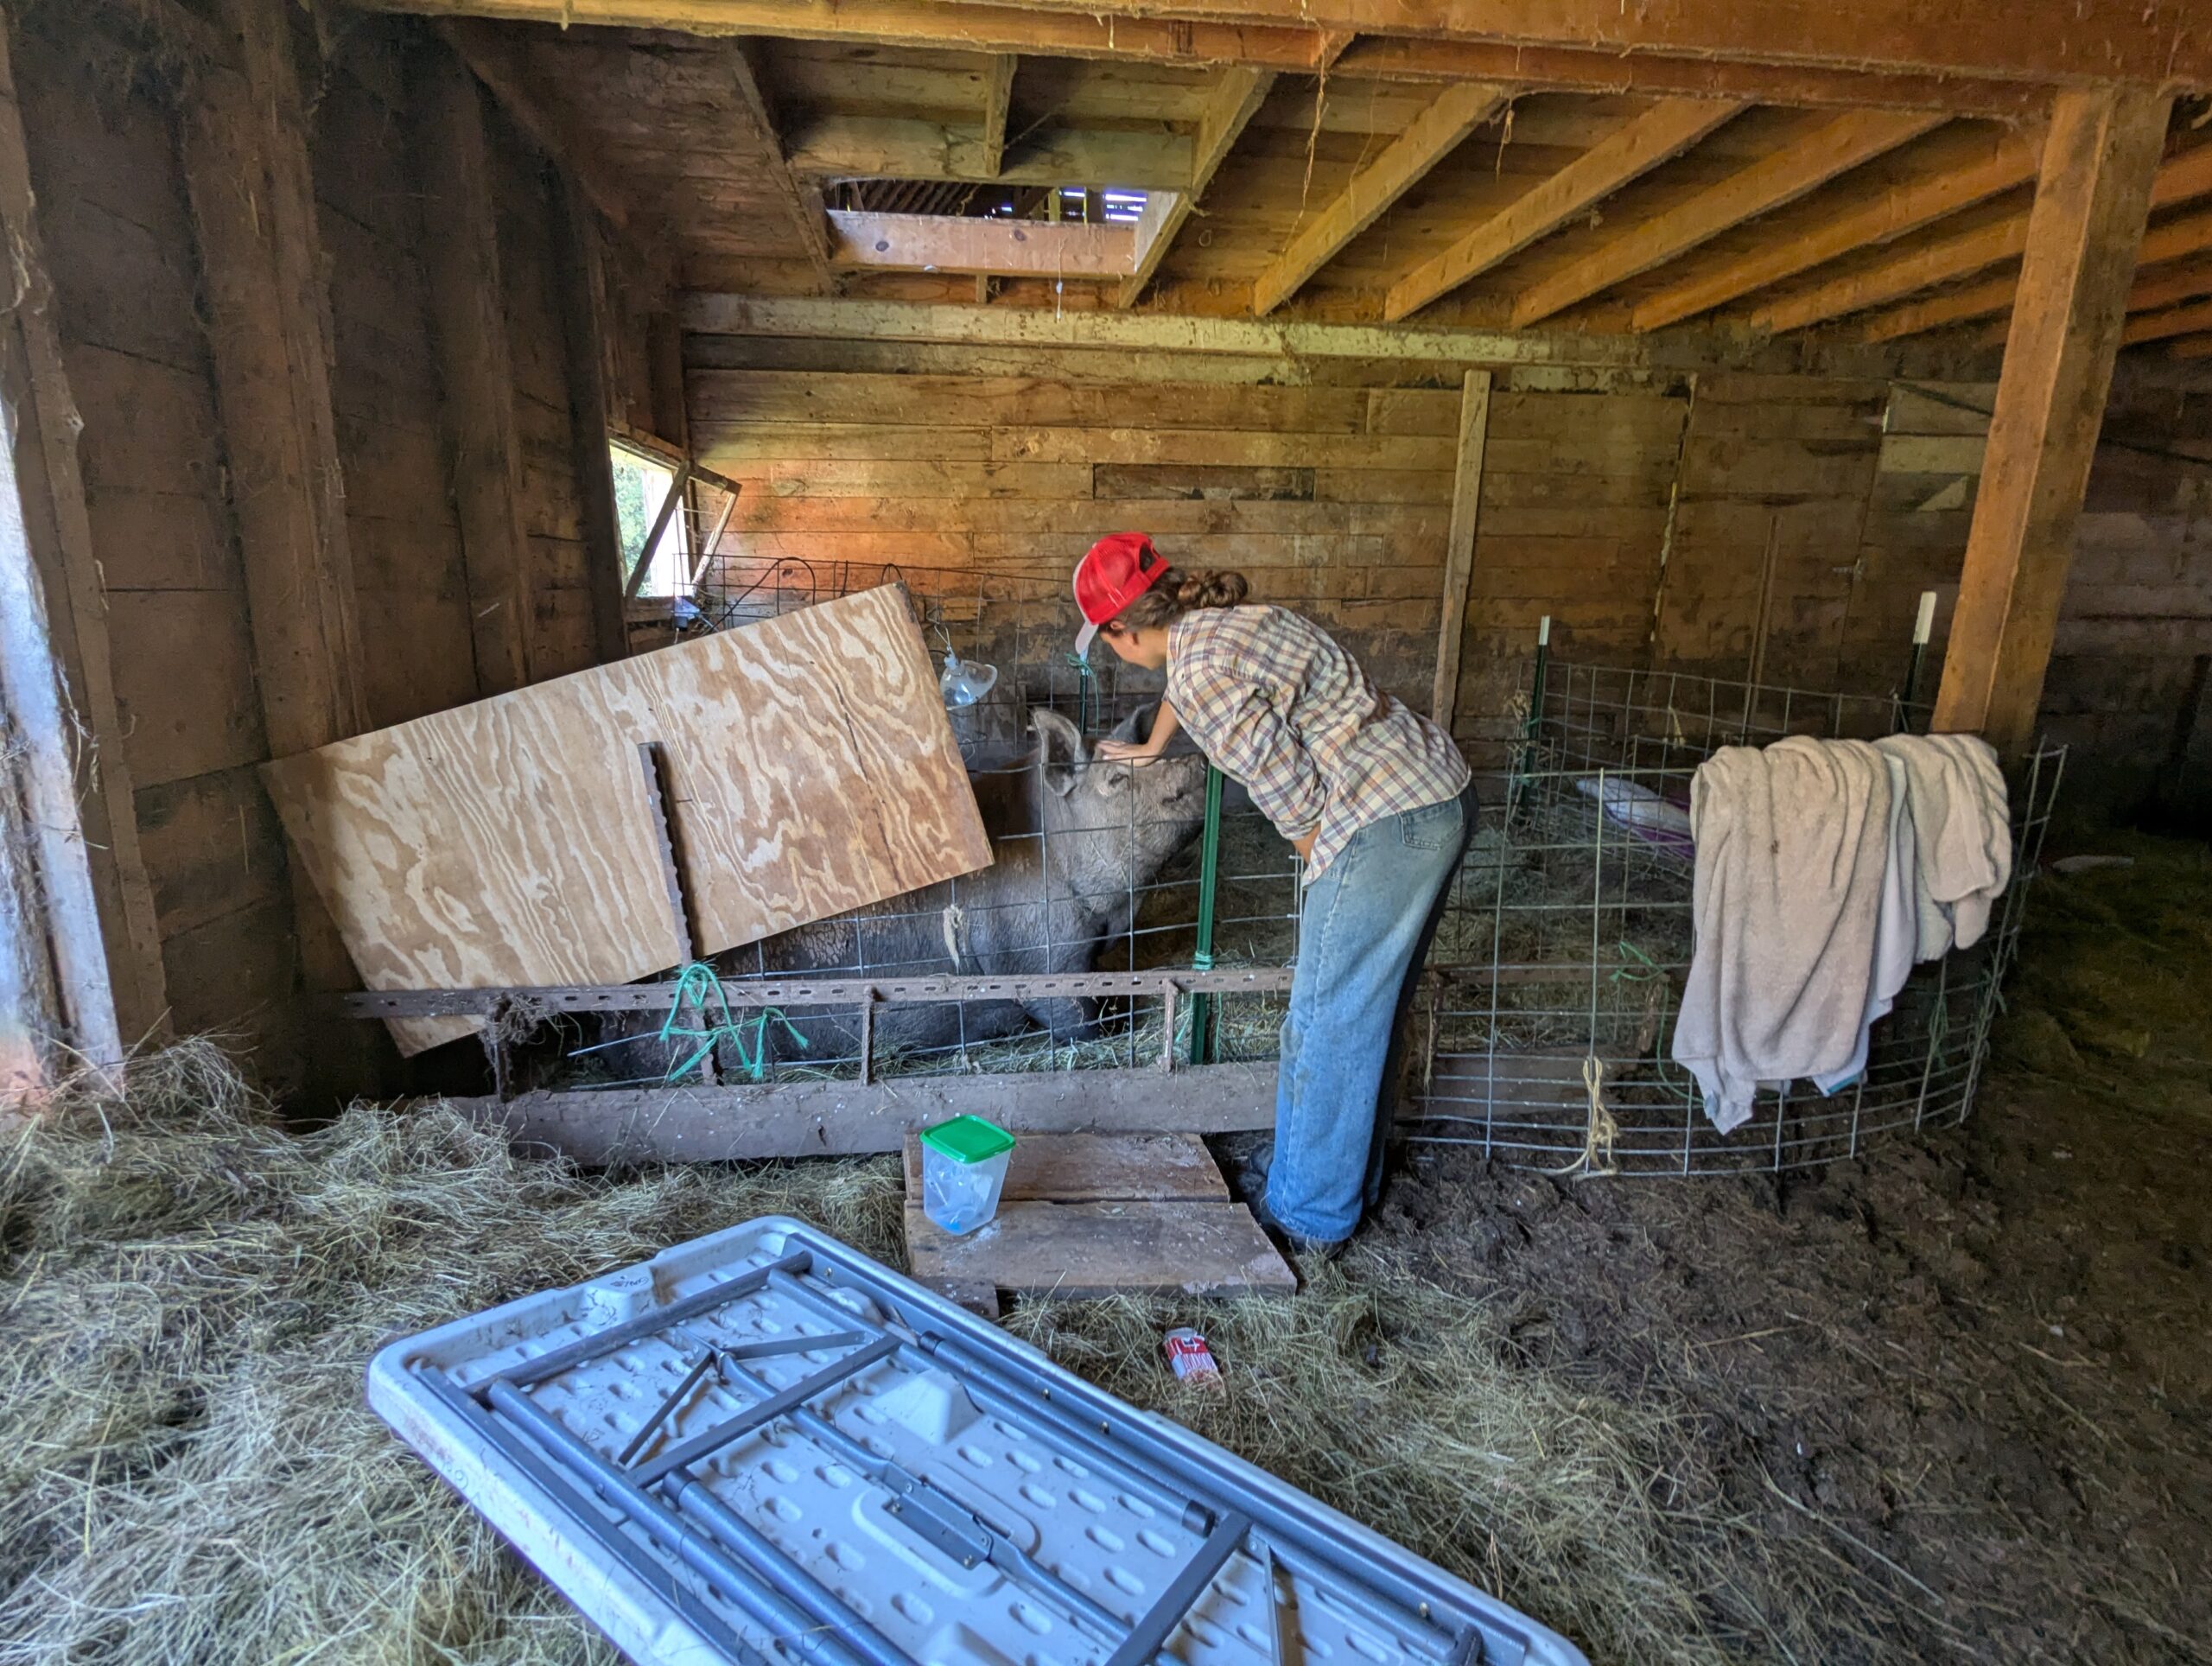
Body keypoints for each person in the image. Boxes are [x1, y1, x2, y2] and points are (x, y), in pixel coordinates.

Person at [1073, 531, 1474, 1255]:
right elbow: (1188, 688)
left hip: (1381, 822)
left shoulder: (1197, 674)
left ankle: (1309, 1214)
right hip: (1437, 789)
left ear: (1120, 633)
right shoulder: (1227, 623)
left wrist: (1321, 875)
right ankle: (1330, 1176)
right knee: (1366, 1012)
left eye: (1107, 643)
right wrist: (1155, 744)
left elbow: (1294, 797)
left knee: (1326, 1018)